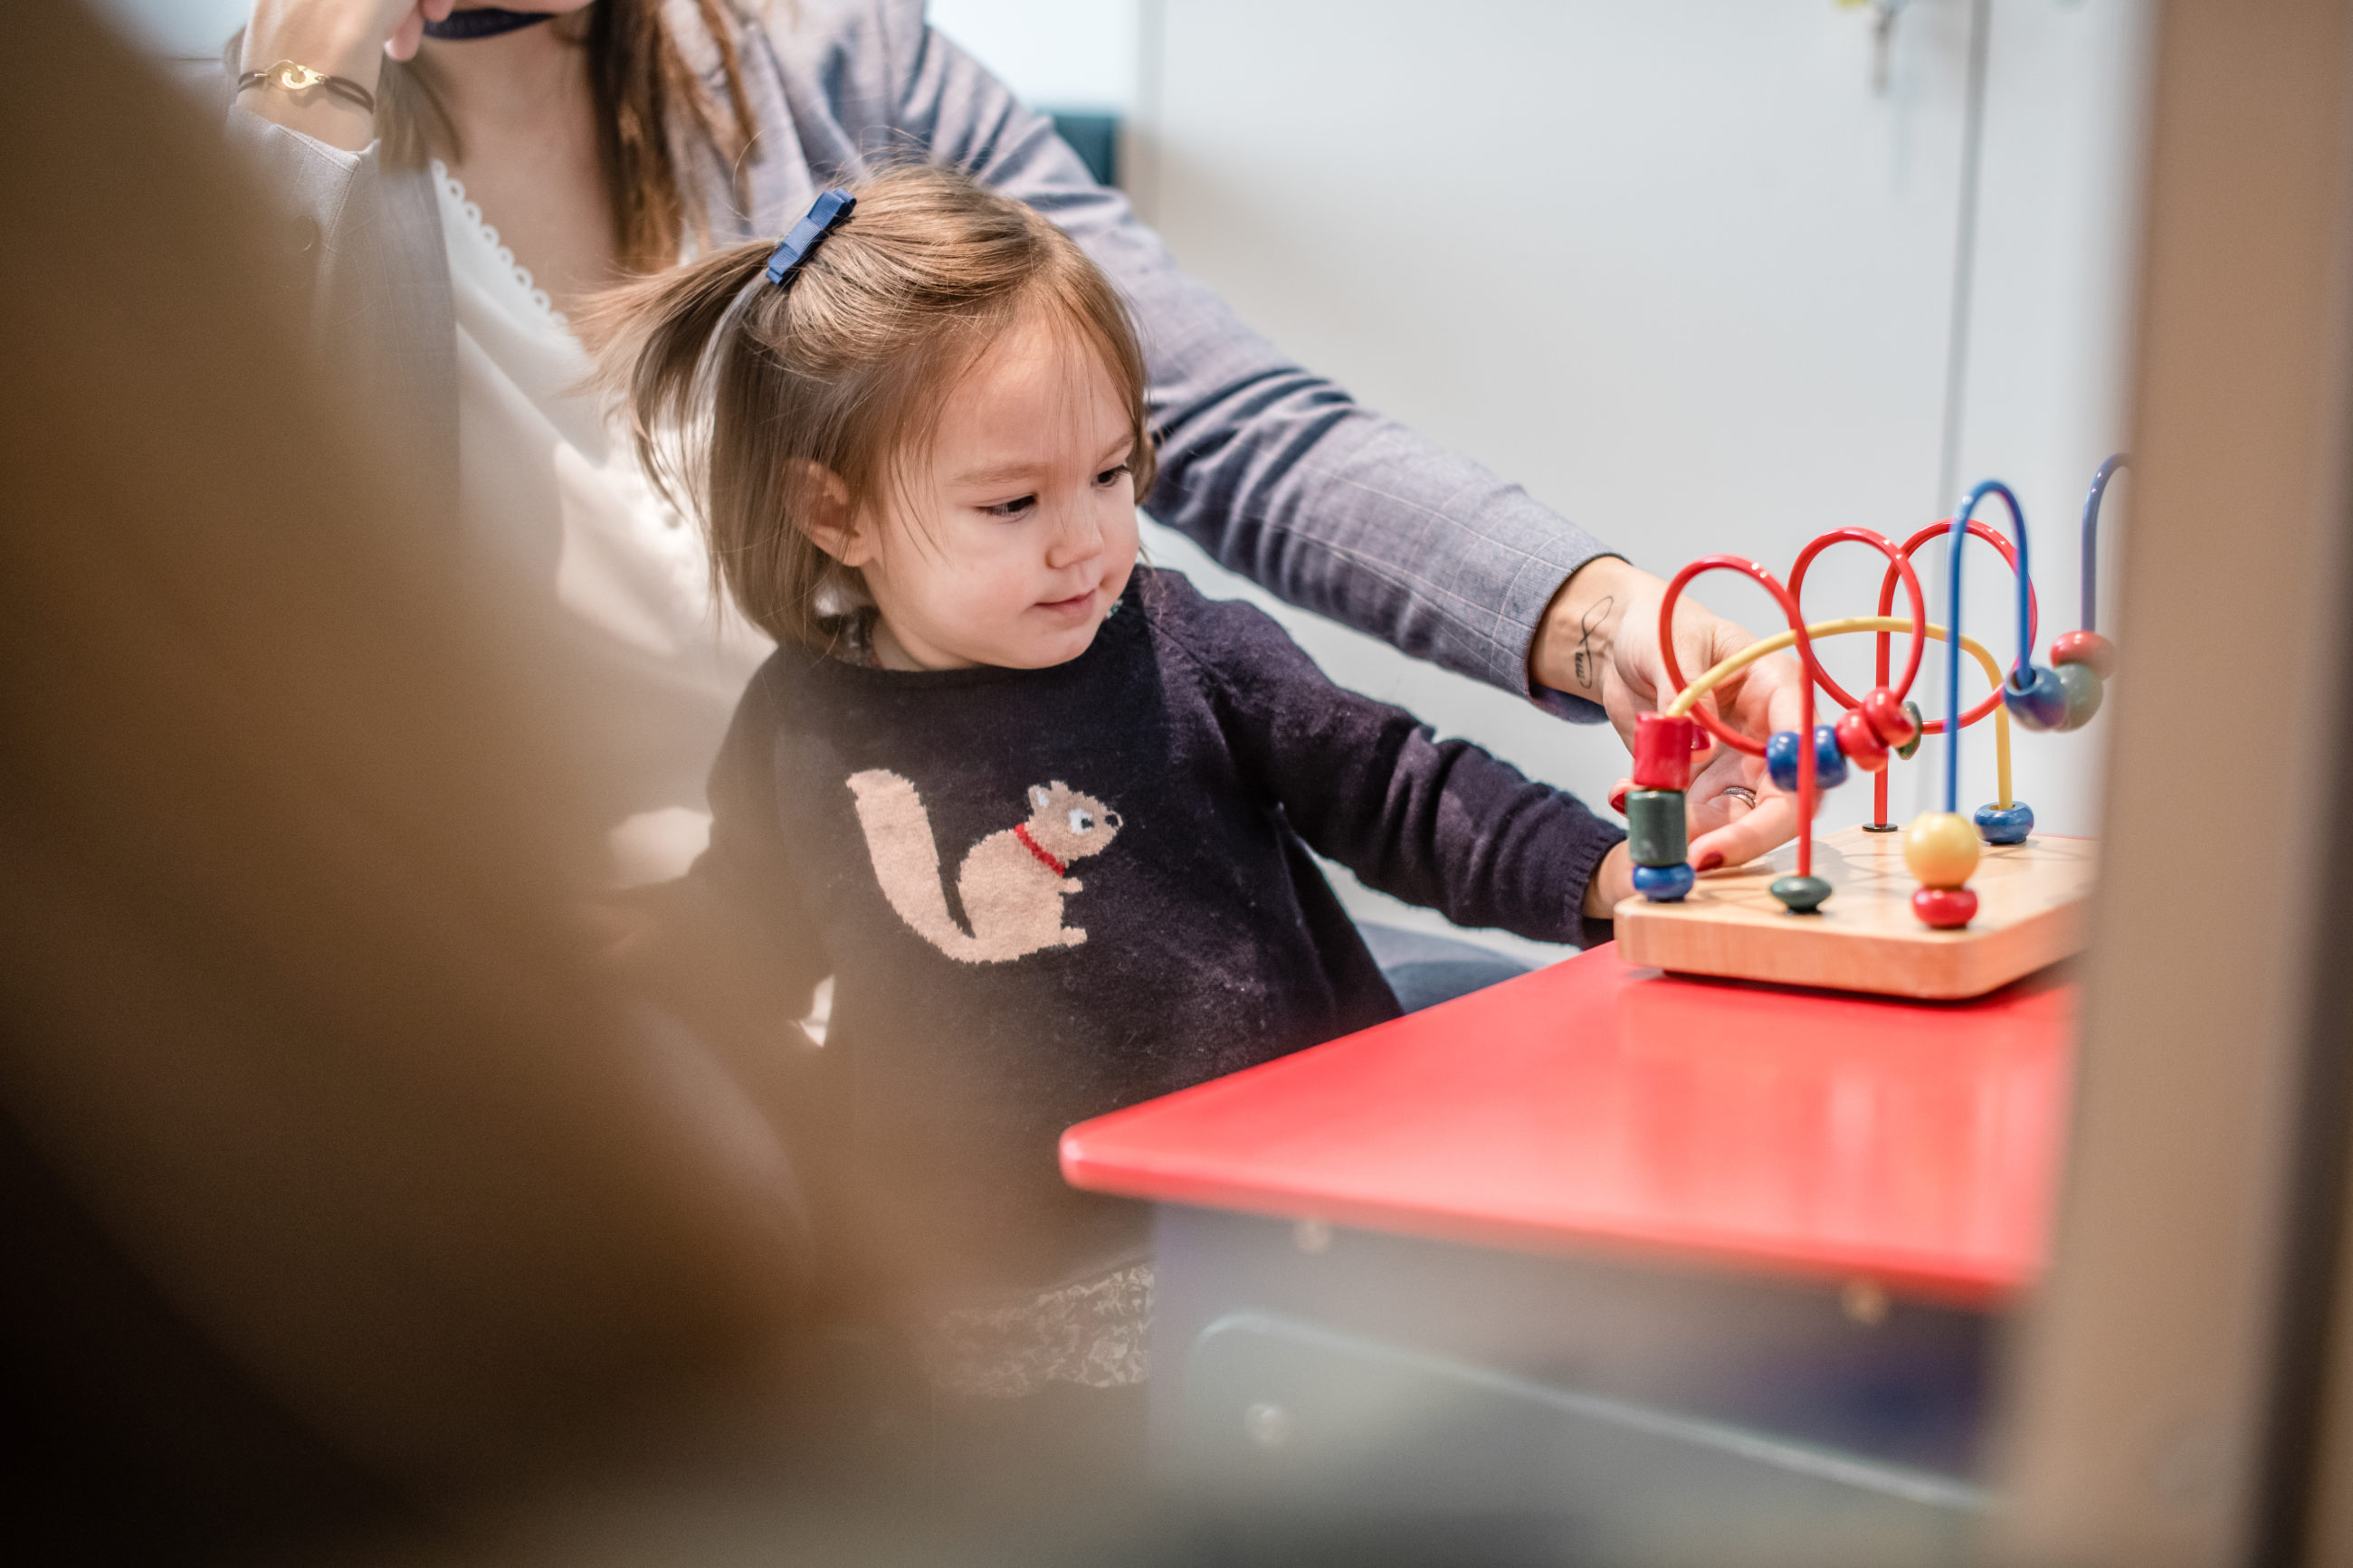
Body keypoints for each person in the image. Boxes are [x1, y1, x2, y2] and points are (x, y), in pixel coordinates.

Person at [225, 0, 1804, 910]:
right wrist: (299, 100)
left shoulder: (830, 61)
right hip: (607, 967)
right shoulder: (244, 157)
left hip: (1002, 895)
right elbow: (230, 624)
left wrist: (1614, 618)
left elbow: (1228, 421)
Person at [592, 161, 1630, 1480]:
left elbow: (1397, 784)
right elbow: (746, 927)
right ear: (832, 511)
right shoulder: (798, 724)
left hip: (1270, 1239)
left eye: (1110, 472)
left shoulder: (1182, 645)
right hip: (981, 1305)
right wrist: (624, 967)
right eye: (1014, 504)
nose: (1086, 541)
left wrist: (1603, 871)